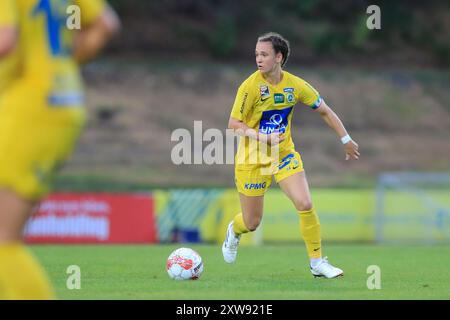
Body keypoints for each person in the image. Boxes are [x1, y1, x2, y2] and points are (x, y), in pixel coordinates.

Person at [0, 0, 120, 299]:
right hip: (62, 101)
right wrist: (61, 66)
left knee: (3, 242)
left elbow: (4, 41)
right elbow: (106, 24)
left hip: (27, 108)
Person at [222, 32, 360, 278]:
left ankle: (317, 263)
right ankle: (235, 229)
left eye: (263, 54)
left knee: (305, 203)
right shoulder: (250, 86)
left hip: (283, 155)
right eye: (256, 54)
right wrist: (262, 137)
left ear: (279, 57)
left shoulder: (295, 85)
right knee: (252, 222)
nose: (258, 59)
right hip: (252, 160)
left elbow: (325, 111)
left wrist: (346, 139)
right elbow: (233, 123)